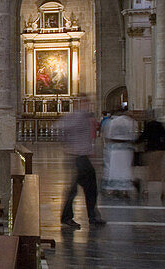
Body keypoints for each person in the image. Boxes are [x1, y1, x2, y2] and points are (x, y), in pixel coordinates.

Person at [57, 96, 105, 229]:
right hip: (77, 157)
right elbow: (58, 128)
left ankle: (92, 216)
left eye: (88, 102)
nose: (88, 105)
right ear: (79, 104)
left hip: (83, 157)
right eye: (85, 102)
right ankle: (70, 217)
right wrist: (68, 145)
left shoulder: (85, 117)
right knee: (75, 190)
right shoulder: (76, 117)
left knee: (90, 189)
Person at [101, 107, 137, 197]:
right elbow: (134, 135)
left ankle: (113, 189)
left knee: (114, 169)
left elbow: (108, 135)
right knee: (125, 169)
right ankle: (124, 190)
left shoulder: (112, 121)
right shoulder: (130, 121)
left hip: (115, 148)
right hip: (126, 148)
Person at [136, 111, 165, 201]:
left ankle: (146, 189)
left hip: (151, 149)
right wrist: (164, 147)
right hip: (160, 150)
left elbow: (144, 136)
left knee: (149, 169)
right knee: (161, 169)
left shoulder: (149, 125)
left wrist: (135, 142)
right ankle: (164, 190)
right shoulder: (160, 125)